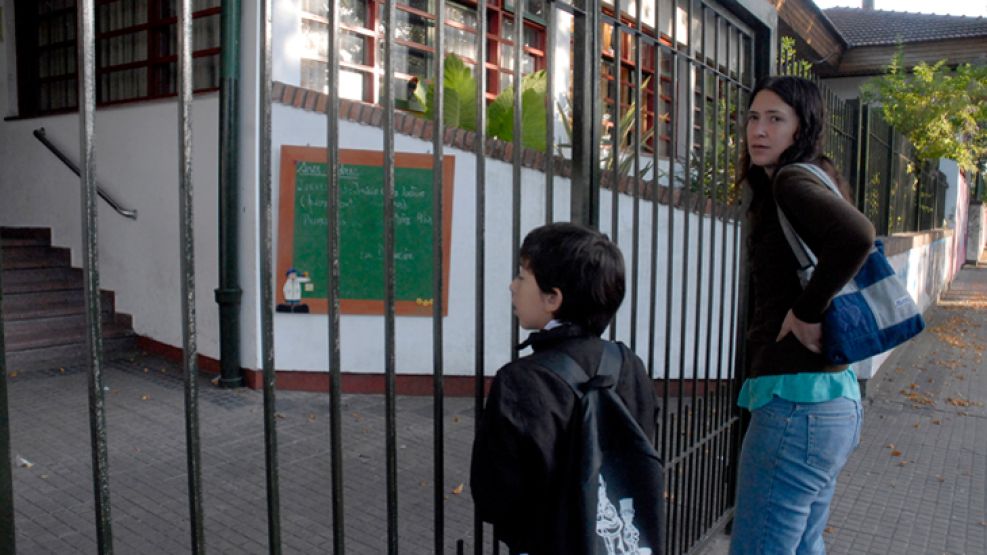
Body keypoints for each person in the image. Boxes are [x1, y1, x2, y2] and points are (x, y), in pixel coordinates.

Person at [730, 75, 874, 554]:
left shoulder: (792, 180)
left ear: (801, 129)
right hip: (831, 403)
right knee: (803, 546)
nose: (759, 130)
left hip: (796, 410)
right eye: (754, 117)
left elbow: (857, 236)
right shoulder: (812, 178)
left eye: (776, 119)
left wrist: (805, 310)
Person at [470, 222, 658, 555]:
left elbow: (494, 497)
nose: (512, 286)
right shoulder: (630, 365)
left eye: (522, 277)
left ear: (553, 298)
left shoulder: (520, 381)